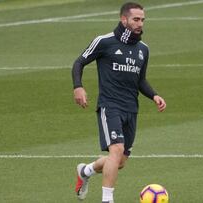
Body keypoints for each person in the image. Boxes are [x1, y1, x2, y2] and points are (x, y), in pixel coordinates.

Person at [71, 2, 166, 203]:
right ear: (124, 20)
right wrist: (78, 86)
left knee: (120, 161)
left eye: (142, 20)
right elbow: (79, 62)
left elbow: (140, 80)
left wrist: (154, 95)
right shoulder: (104, 41)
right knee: (116, 150)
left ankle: (86, 171)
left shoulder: (143, 49)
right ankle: (107, 200)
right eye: (136, 19)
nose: (140, 24)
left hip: (131, 108)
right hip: (110, 105)